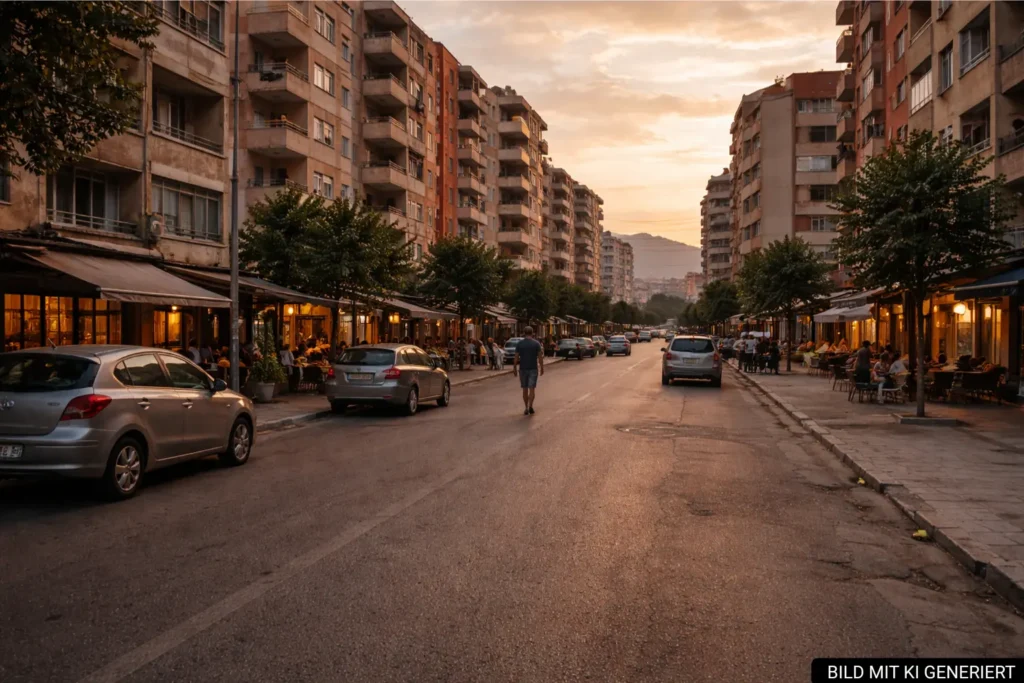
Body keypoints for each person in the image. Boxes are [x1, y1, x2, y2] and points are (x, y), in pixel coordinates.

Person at [512, 326, 544, 416]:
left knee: (524, 389)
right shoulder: (536, 344)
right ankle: (531, 406)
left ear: (524, 333)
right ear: (532, 333)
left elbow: (516, 357)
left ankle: (526, 407)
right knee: (532, 389)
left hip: (523, 368)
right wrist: (542, 367)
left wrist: (514, 367)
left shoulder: (520, 344)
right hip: (533, 368)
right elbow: (540, 357)